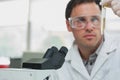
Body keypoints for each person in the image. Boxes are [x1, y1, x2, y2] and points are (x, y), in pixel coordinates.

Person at [49, 0, 120, 80]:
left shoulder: (118, 51)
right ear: (69, 25)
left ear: (102, 21)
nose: (89, 27)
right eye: (80, 20)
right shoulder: (60, 66)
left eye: (95, 19)